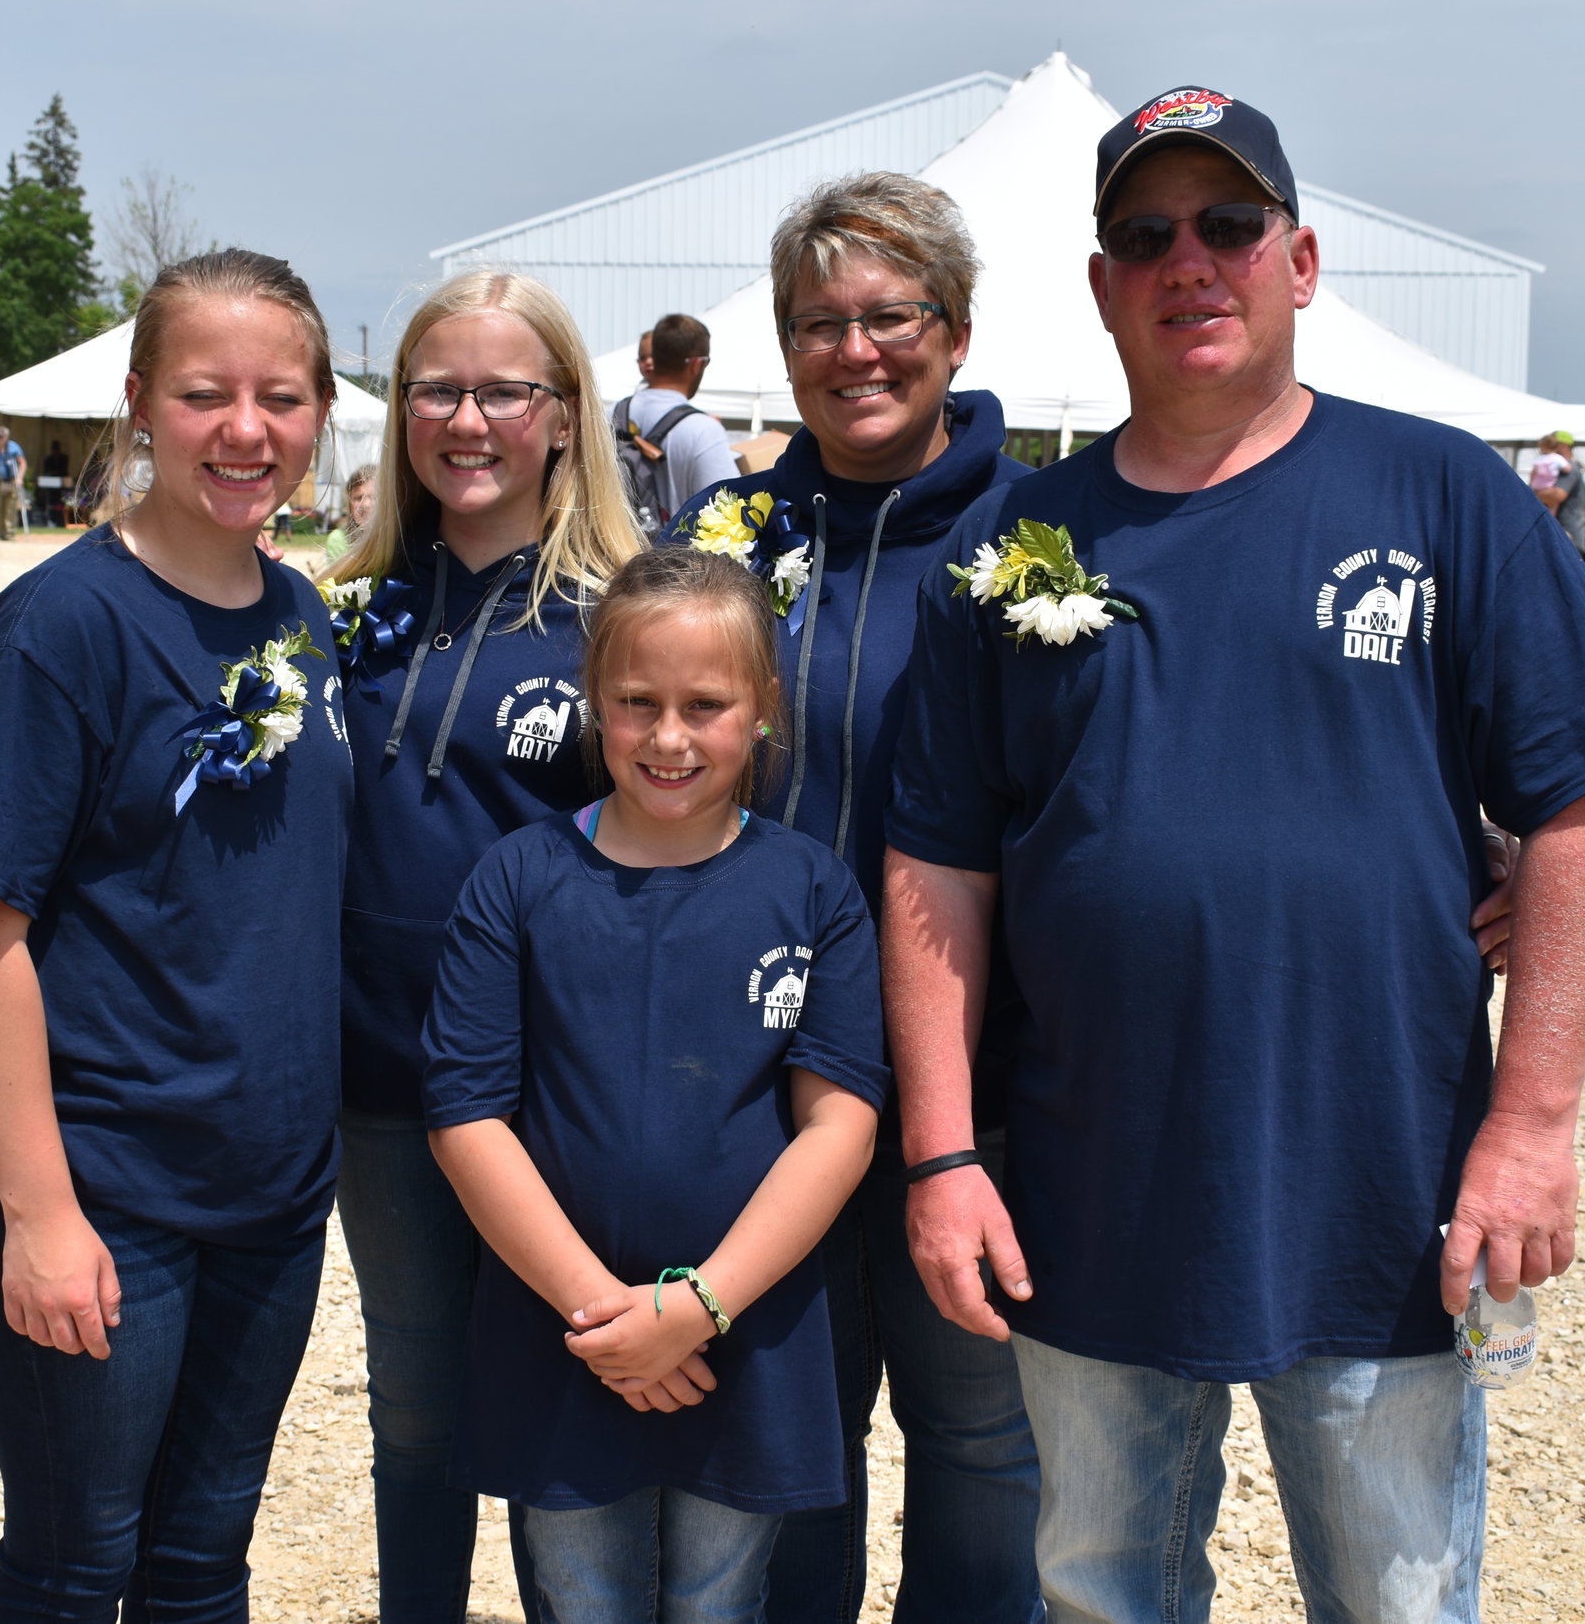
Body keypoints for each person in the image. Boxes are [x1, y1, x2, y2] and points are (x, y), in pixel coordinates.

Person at [884, 86, 1585, 1624]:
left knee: (1395, 1594)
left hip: (1379, 1179)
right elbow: (938, 867)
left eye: (1230, 226)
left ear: (1299, 261)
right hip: (1084, 1182)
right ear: (1104, 281)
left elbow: (1583, 812)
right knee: (1103, 1588)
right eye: (1147, 233)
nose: (1192, 260)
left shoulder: (1445, 497)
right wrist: (946, 1152)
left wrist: (1535, 1119)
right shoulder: (1011, 550)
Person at [0, 249, 350, 1621]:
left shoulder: (299, 616)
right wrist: (42, 1214)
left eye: (279, 397)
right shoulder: (59, 630)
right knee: (74, 1556)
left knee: (199, 1560)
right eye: (206, 392)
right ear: (139, 405)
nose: (245, 429)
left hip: (272, 1189)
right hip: (108, 1180)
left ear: (322, 412)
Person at [669, 169, 1044, 1624]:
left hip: (988, 1086)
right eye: (819, 321)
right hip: (758, 1089)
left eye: (892, 314)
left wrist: (1479, 841)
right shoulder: (728, 536)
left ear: (955, 330)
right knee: (785, 1447)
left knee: (979, 1445)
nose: (856, 349)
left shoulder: (1050, 535)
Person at [424, 546, 887, 1624]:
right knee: (584, 1593)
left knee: (719, 1597)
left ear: (763, 707)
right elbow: (465, 1114)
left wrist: (700, 1302)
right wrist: (604, 1314)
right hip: (562, 1325)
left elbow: (839, 1123)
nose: (669, 736)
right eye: (637, 702)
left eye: (705, 703)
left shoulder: (813, 889)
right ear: (593, 701)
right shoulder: (519, 877)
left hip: (745, 1331)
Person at [318, 268, 641, 1623]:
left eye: (503, 389)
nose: (466, 417)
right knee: (418, 1413)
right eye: (435, 388)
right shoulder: (348, 612)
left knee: (578, 1396)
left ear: (563, 414)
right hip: (382, 1090)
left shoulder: (619, 614)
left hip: (558, 1095)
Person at [610, 313, 739, 532]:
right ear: (697, 364)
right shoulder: (703, 430)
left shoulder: (609, 414)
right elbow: (729, 516)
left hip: (611, 557)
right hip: (674, 563)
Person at [319, 464, 374, 570]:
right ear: (349, 503)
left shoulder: (399, 539)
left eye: (374, 497)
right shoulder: (339, 539)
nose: (365, 504)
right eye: (358, 498)